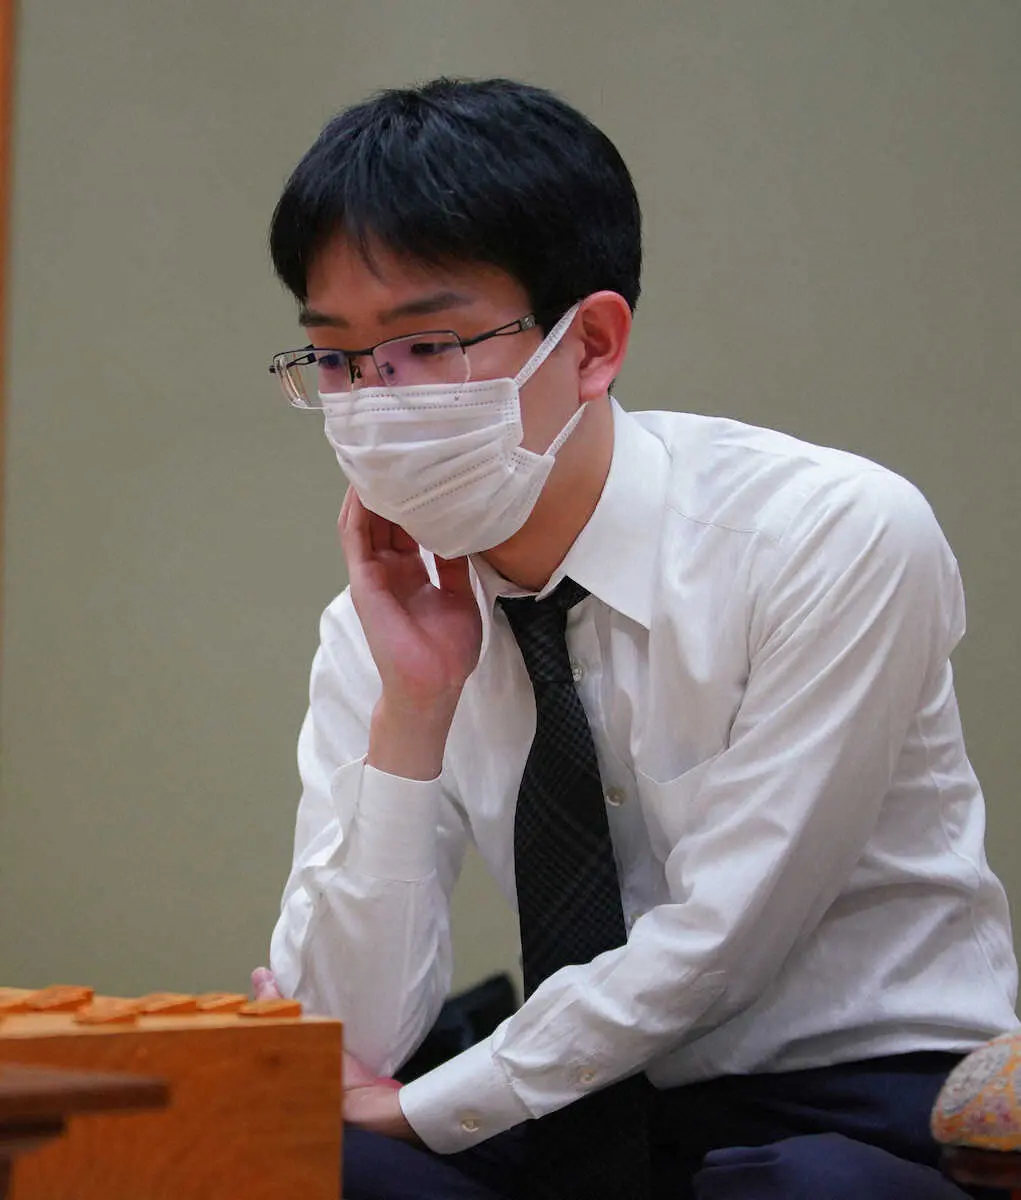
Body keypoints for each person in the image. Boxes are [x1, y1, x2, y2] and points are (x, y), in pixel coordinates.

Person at [256, 77, 1018, 1200]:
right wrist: (412, 709)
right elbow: (341, 1040)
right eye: (337, 359)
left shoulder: (829, 534)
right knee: (285, 1164)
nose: (377, 399)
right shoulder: (378, 620)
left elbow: (725, 944)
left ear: (592, 343)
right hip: (569, 1106)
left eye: (426, 343)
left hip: (849, 1102)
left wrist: (426, 1107)